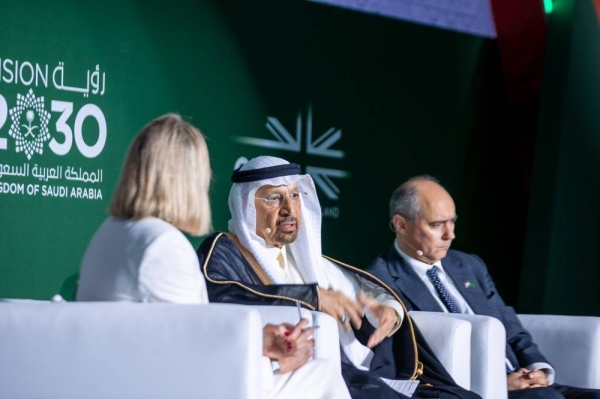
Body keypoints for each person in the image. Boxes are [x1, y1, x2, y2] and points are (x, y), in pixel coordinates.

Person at [76, 114, 349, 399]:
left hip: (131, 376)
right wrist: (276, 365)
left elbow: (176, 334)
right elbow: (194, 354)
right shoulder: (163, 246)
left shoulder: (113, 231)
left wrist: (259, 340)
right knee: (323, 374)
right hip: (165, 385)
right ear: (186, 180)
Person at [197, 155, 481, 399]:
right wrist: (313, 297)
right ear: (246, 205)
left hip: (357, 371)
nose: (289, 209)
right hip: (310, 376)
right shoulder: (226, 250)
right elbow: (222, 295)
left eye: (295, 195)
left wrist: (389, 312)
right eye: (274, 198)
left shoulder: (307, 259)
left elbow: (369, 294)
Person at [368, 175, 600, 399]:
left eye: (452, 221)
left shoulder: (468, 265)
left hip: (524, 380)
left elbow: (511, 326)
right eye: (437, 225)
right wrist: (496, 383)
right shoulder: (380, 282)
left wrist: (538, 370)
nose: (451, 234)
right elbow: (412, 365)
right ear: (401, 224)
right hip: (471, 390)